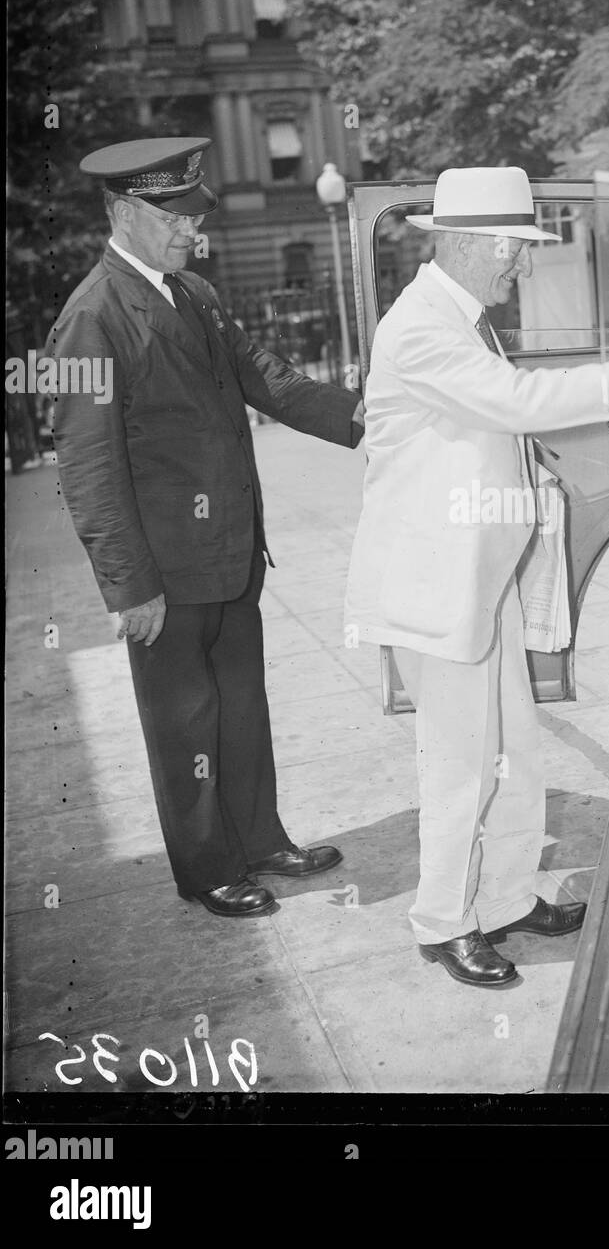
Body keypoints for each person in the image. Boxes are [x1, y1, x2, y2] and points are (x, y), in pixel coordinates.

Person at [345, 166, 609, 986]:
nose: (518, 265)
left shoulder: (460, 316)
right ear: (458, 242)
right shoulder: (419, 328)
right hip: (435, 589)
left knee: (513, 753)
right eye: (510, 249)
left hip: (474, 582)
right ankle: (443, 922)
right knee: (458, 764)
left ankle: (507, 899)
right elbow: (515, 404)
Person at [46, 137, 364, 919]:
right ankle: (207, 867)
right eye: (177, 216)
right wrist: (128, 586)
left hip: (228, 554)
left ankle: (259, 841)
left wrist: (374, 417)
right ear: (125, 211)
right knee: (183, 723)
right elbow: (82, 467)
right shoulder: (85, 319)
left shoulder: (196, 293)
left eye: (195, 215)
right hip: (164, 571)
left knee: (241, 707)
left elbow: (272, 382)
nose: (193, 230)